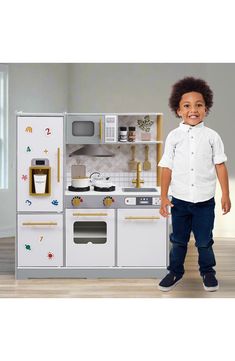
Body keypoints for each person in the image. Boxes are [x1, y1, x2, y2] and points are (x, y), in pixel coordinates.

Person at [158, 76, 231, 292]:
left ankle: (208, 272)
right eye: (187, 105)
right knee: (178, 240)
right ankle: (175, 271)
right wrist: (164, 196)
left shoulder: (212, 137)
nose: (193, 110)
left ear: (206, 109)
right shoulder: (173, 137)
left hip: (204, 202)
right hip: (179, 200)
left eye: (199, 105)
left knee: (204, 241)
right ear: (178, 110)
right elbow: (166, 167)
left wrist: (225, 195)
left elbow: (220, 166)